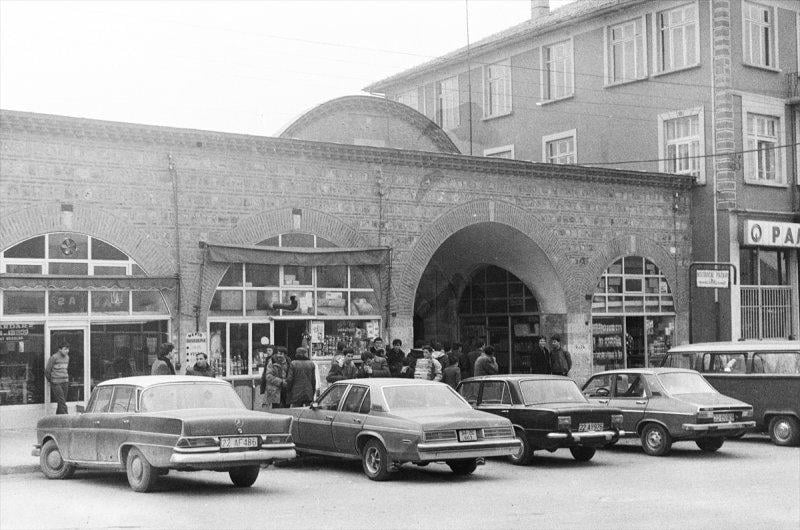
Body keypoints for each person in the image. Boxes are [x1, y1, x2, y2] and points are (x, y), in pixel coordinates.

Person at [45, 342, 70, 414]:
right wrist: (51, 380)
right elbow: (47, 370)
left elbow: (65, 369)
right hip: (56, 382)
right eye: (65, 349)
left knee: (61, 401)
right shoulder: (54, 357)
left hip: (65, 382)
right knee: (62, 401)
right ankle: (66, 417)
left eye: (68, 349)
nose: (67, 351)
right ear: (60, 349)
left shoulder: (67, 357)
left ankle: (57, 418)